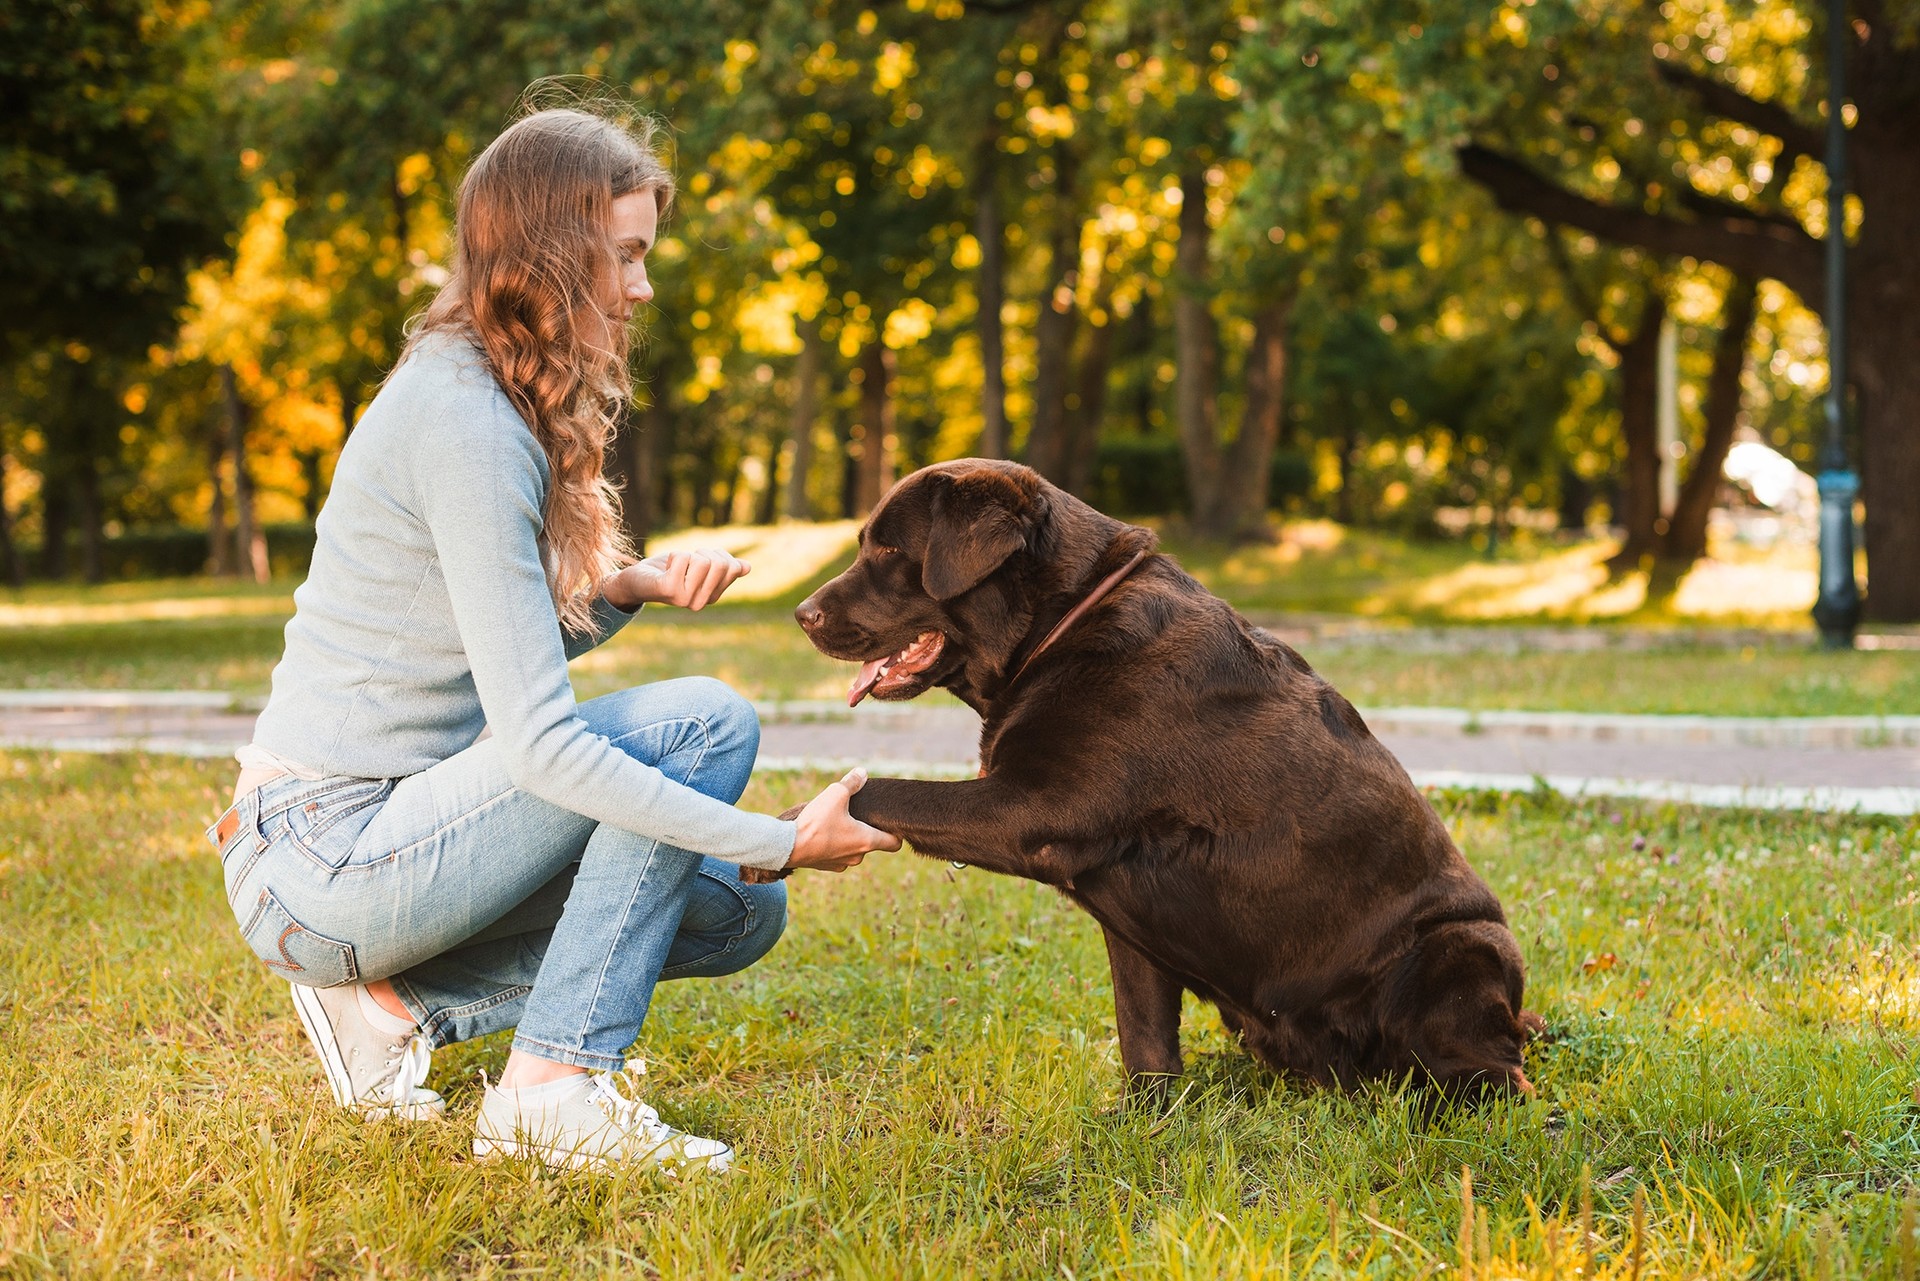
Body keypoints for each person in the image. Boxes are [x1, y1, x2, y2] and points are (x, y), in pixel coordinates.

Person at [204, 103, 900, 1174]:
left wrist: (619, 590)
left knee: (731, 917)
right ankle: (552, 1094)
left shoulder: (483, 393)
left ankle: (391, 1007)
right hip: (324, 854)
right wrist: (780, 841)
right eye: (625, 255)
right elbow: (539, 749)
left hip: (375, 846)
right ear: (553, 254)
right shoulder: (470, 423)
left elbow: (464, 652)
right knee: (700, 724)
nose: (643, 286)